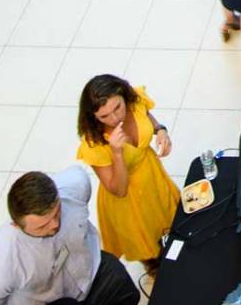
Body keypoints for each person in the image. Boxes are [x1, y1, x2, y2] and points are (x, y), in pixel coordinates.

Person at [0, 167, 138, 305]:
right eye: (42, 225)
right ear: (16, 225)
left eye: (57, 213)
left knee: (124, 300)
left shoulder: (76, 184)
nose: (55, 225)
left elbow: (79, 179)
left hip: (94, 273)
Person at [75, 74, 179, 269]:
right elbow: (118, 190)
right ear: (93, 117)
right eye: (104, 116)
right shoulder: (93, 143)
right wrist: (117, 153)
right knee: (149, 246)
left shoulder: (135, 100)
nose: (115, 119)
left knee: (170, 218)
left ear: (124, 97)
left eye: (118, 108)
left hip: (152, 175)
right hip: (128, 199)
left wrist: (160, 129)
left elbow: (145, 114)